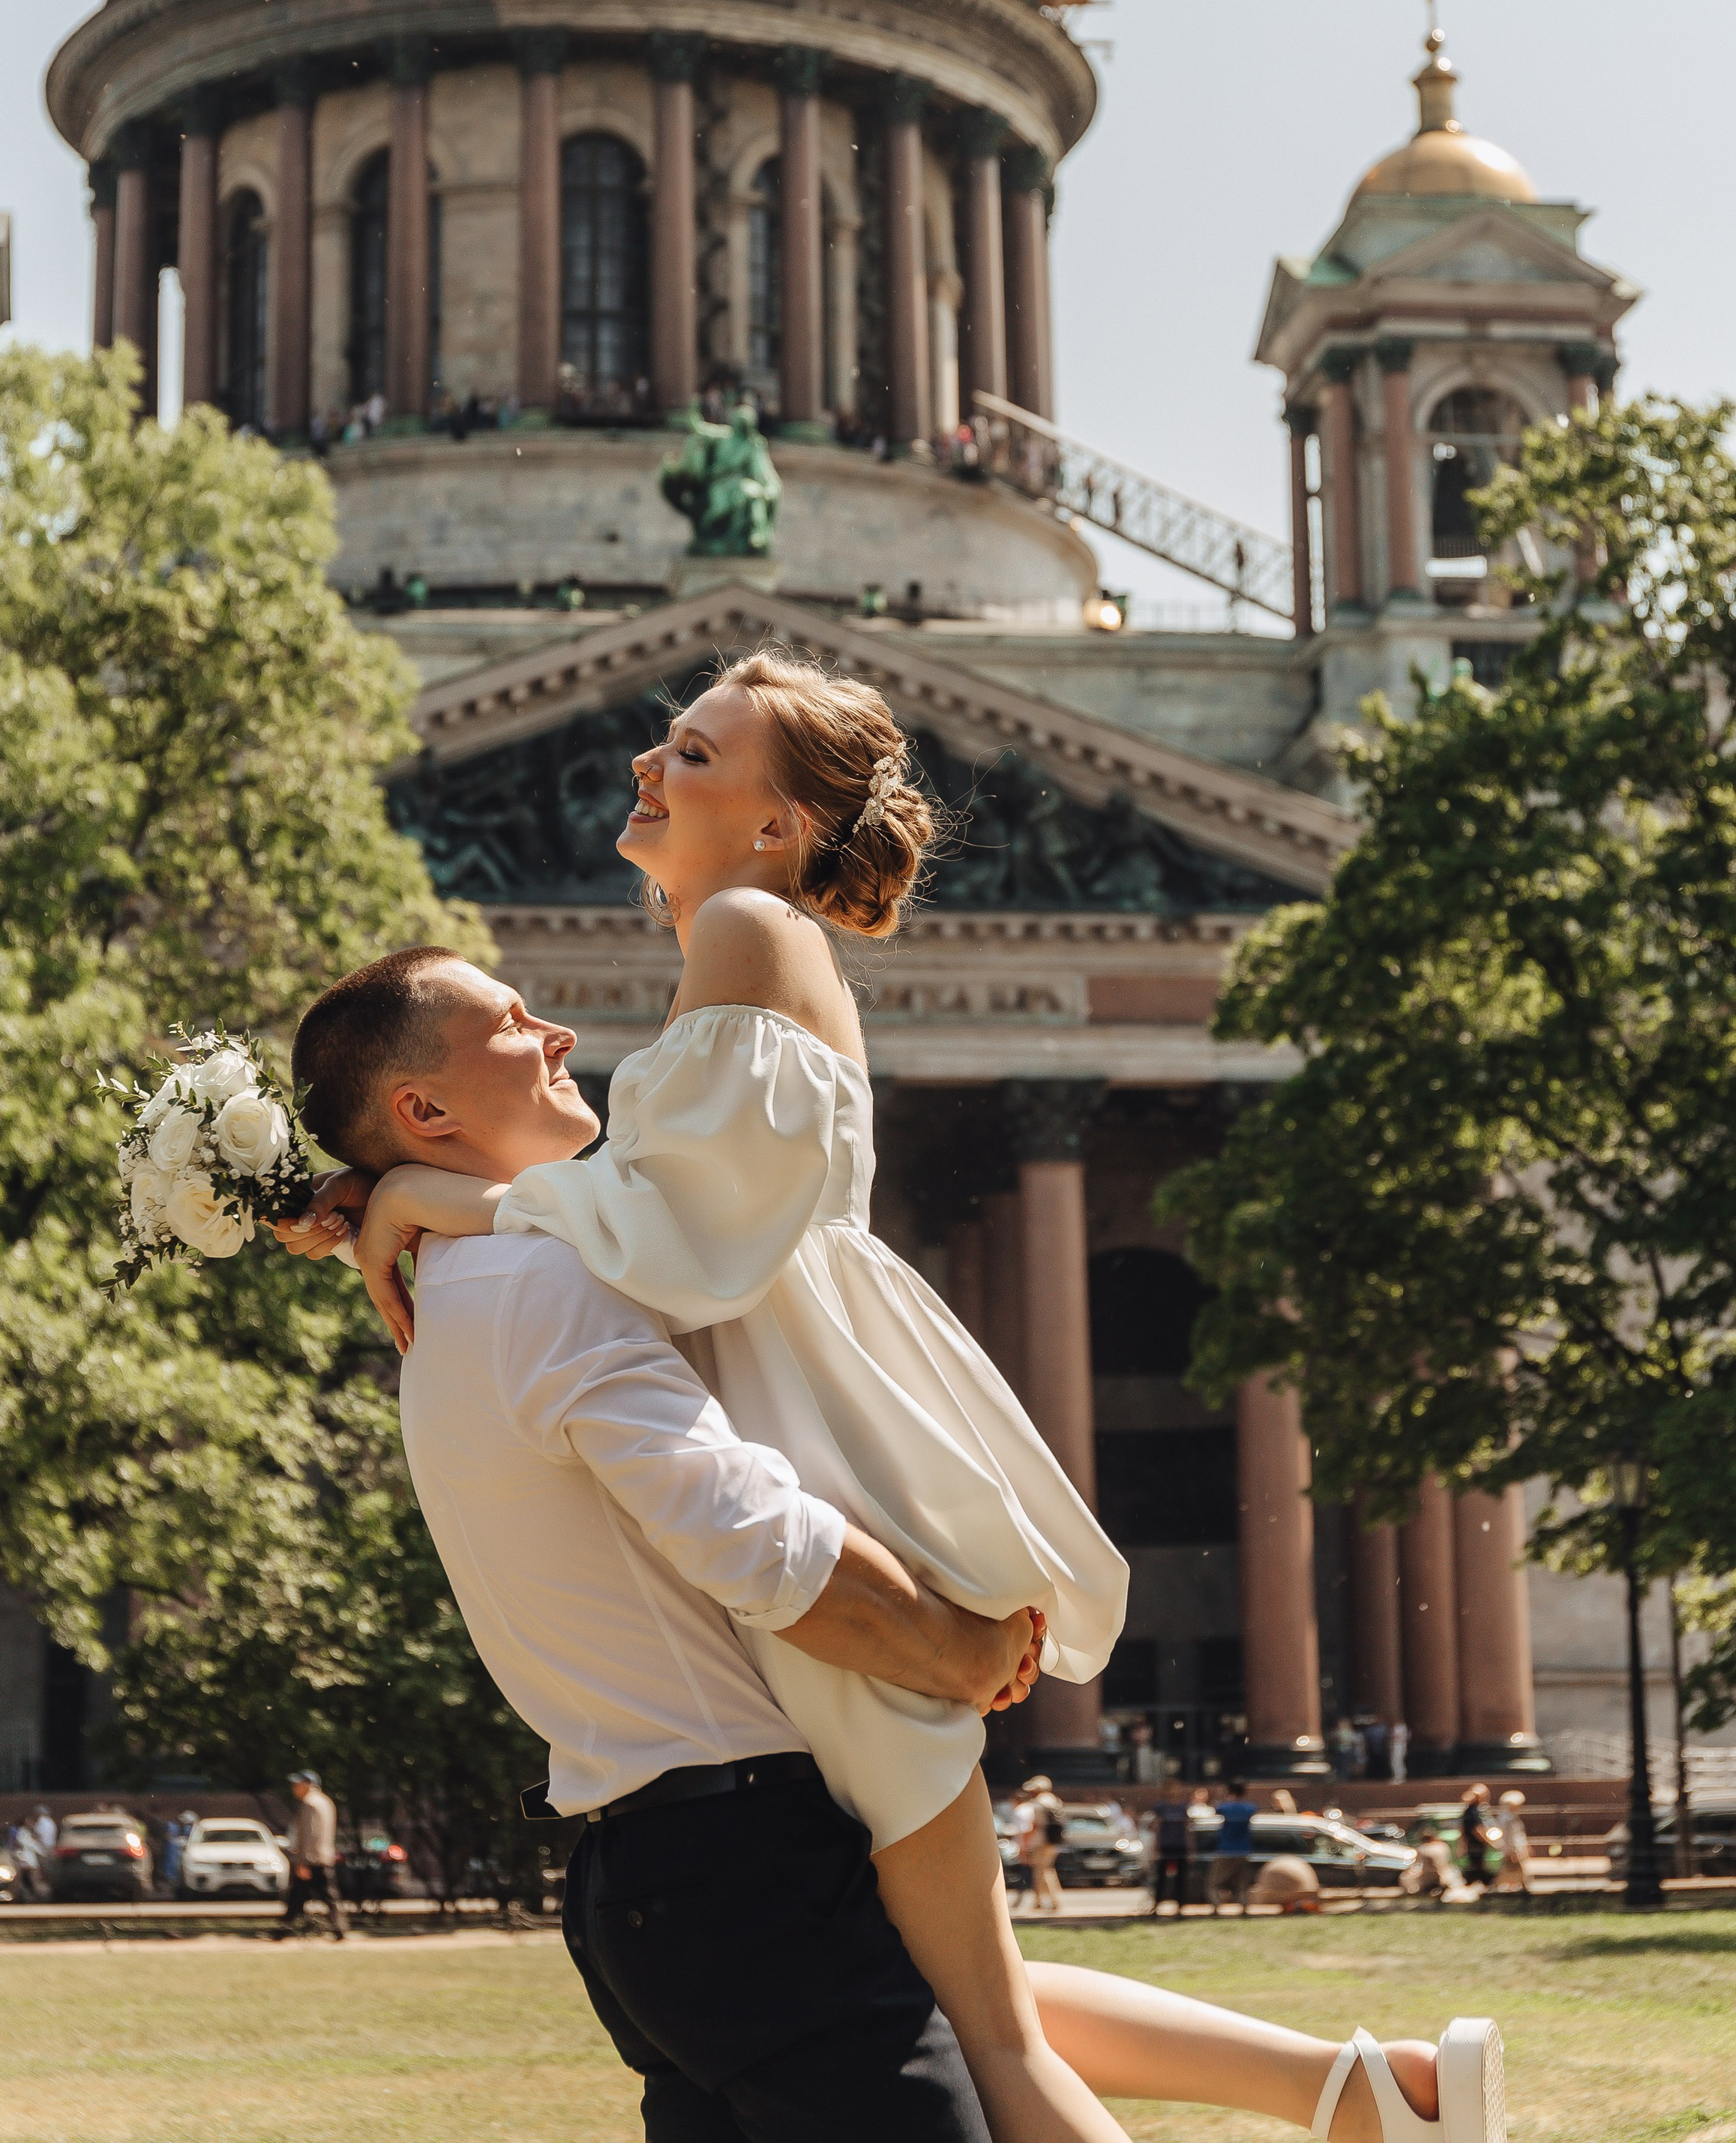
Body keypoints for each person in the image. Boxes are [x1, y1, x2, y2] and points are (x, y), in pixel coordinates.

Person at [282, 659, 1505, 2141]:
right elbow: (656, 1218)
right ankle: (1375, 2096)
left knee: (985, 2029)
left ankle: (1378, 2099)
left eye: (690, 748)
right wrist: (414, 1196)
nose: (641, 769)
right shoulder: (728, 940)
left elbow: (674, 1234)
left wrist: (420, 1194)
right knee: (966, 1985)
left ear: (779, 826)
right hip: (842, 1436)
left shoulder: (735, 928)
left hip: (826, 1450)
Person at [278, 1770, 349, 1941]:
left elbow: (310, 1835)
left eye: (297, 1784)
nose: (294, 1788)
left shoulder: (309, 1803)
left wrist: (303, 1862)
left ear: (308, 1784)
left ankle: (339, 1928)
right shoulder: (326, 1801)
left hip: (312, 1859)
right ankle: (286, 1926)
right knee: (304, 1894)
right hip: (323, 1855)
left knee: (322, 1893)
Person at [1019, 1775, 1067, 1917]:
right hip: (1054, 1842)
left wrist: (1026, 1844)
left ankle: (1051, 1901)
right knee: (1047, 1870)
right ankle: (1041, 1901)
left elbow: (1036, 1825)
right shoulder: (1056, 1801)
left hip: (1041, 1842)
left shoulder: (1038, 1803)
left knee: (1043, 1872)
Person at [1208, 1781, 1258, 1913]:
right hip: (1243, 1850)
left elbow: (1215, 1808)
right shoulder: (1249, 1808)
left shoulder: (1225, 1808)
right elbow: (1254, 1809)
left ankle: (1216, 1907)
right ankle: (1244, 1907)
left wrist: (1221, 1795)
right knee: (1242, 1882)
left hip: (1226, 1850)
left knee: (1214, 1882)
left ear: (1230, 1793)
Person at [1150, 1787, 1189, 1916]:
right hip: (1166, 1846)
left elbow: (1188, 1828)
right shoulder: (1161, 1808)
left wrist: (1191, 1849)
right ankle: (1156, 1906)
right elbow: (1157, 1828)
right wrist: (1155, 1848)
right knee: (1161, 1877)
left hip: (1180, 1846)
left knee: (1181, 1878)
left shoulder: (1183, 1808)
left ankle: (1180, 1907)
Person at [1493, 1791, 1531, 1896]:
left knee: (1513, 1869)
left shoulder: (1512, 1817)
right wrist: (1511, 1851)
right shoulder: (1507, 1819)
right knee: (1511, 1869)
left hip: (1515, 1848)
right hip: (1511, 1849)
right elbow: (1508, 1836)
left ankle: (1521, 1886)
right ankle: (1522, 1887)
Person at [1458, 1784, 1495, 1889]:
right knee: (1477, 1867)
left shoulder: (1469, 1811)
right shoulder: (1473, 1812)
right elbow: (1477, 1830)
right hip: (1476, 1844)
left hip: (1472, 1844)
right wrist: (1489, 1842)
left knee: (1476, 1867)